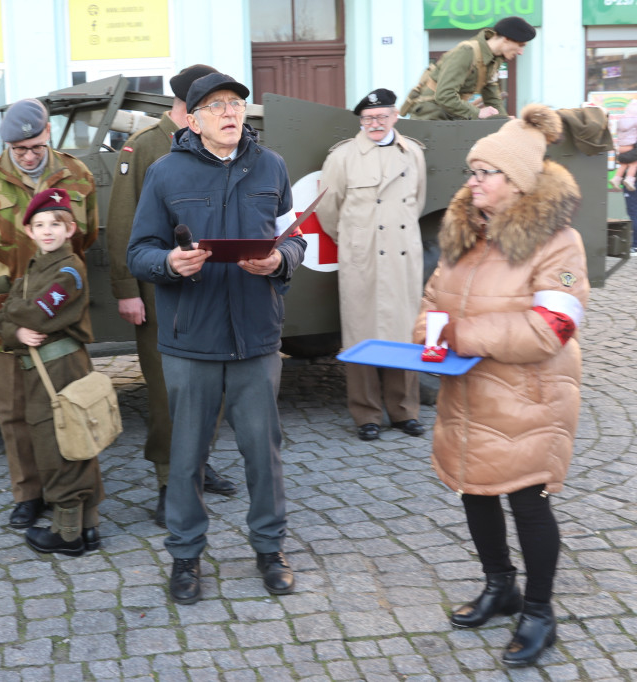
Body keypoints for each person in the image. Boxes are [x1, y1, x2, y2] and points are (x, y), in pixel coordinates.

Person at [412, 104, 587, 667]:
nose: (472, 181)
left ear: (517, 183)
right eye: (472, 170)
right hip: (469, 393)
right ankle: (500, 586)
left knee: (527, 504)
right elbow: (430, 301)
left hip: (530, 396)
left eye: (485, 172)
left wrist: (459, 335)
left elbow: (553, 327)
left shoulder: (559, 243)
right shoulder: (465, 232)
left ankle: (539, 613)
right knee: (475, 490)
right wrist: (430, 332)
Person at [127, 73, 306, 604]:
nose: (231, 112)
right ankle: (185, 558)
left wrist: (279, 260)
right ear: (194, 118)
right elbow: (139, 252)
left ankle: (269, 549)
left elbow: (295, 238)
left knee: (263, 452)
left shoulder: (271, 166)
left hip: (255, 337)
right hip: (191, 341)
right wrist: (170, 262)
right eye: (216, 105)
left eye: (237, 103)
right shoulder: (165, 173)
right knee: (185, 457)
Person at [0, 98, 98, 530]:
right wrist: (10, 282)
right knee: (13, 409)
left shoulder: (77, 176)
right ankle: (28, 492)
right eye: (19, 149)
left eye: (35, 146)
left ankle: (66, 494)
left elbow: (84, 236)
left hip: (58, 315)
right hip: (5, 312)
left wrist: (47, 281)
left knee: (63, 405)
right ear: (6, 146)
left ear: (49, 134)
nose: (29, 155)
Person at [106, 64, 237, 527]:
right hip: (162, 294)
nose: (224, 110)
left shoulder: (221, 143)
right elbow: (122, 222)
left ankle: (199, 465)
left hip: (217, 291)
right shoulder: (144, 148)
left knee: (213, 389)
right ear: (187, 104)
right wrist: (127, 290)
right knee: (167, 394)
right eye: (212, 101)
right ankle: (168, 482)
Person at [0, 189, 104, 556]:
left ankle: (68, 534)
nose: (47, 231)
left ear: (70, 229)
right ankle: (87, 528)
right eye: (38, 224)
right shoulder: (38, 267)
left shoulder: (69, 270)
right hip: (41, 367)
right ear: (28, 232)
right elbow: (6, 320)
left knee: (64, 443)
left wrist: (12, 314)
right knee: (65, 439)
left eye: (56, 224)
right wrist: (15, 329)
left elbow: (38, 312)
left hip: (62, 366)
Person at [318, 88, 427, 441]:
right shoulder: (343, 157)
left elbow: (417, 202)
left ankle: (404, 411)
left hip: (401, 255)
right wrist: (353, 240)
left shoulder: (413, 155)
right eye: (368, 119)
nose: (375, 124)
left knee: (403, 331)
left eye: (381, 117)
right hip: (362, 255)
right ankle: (366, 414)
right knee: (361, 332)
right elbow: (328, 208)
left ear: (395, 116)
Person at [403, 16, 536, 121]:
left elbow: (492, 97)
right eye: (520, 45)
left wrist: (503, 120)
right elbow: (444, 96)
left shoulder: (493, 59)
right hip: (431, 115)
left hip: (452, 115)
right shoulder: (467, 52)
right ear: (506, 39)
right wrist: (478, 112)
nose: (521, 52)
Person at [610, 99, 637, 191]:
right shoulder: (635, 121)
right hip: (629, 147)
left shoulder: (621, 120)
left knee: (623, 165)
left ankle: (616, 178)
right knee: (634, 164)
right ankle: (629, 179)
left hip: (621, 148)